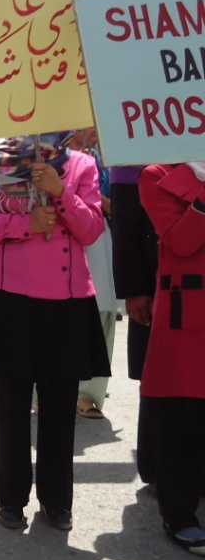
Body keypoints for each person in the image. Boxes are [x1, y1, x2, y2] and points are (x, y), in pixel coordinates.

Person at [0, 132, 109, 531]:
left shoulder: (81, 164)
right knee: (11, 407)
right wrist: (23, 223)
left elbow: (91, 229)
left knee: (59, 407)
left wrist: (60, 191)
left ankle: (57, 500)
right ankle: (10, 498)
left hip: (68, 300)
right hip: (13, 299)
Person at [138, 159, 205, 555]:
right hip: (188, 312)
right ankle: (179, 515)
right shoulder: (157, 176)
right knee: (182, 418)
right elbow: (181, 242)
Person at [110, 164, 159, 487]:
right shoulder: (131, 160)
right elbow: (125, 227)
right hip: (154, 286)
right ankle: (158, 466)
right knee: (156, 376)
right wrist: (134, 289)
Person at [69, 128, 121, 420]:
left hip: (101, 242)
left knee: (103, 316)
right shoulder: (51, 158)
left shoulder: (108, 162)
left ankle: (88, 394)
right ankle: (43, 392)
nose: (95, 128)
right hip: (61, 243)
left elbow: (119, 208)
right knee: (58, 317)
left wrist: (94, 194)